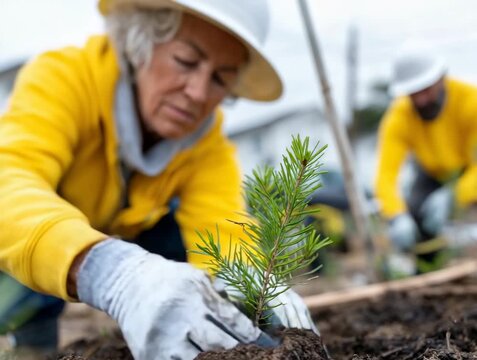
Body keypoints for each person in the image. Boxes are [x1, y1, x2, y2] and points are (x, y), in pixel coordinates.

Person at [0, 0, 317, 358]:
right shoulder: (65, 78)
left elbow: (223, 233)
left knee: (179, 247)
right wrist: (110, 272)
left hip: (127, 233)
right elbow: (7, 184)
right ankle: (28, 342)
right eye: (185, 62)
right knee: (23, 245)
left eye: (219, 79)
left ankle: (180, 331)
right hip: (39, 241)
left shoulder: (206, 145)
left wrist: (255, 295)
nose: (198, 93)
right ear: (141, 43)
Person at [374, 47, 477, 269]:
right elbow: (386, 175)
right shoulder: (398, 117)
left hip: (471, 171)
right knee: (417, 216)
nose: (421, 100)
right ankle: (427, 276)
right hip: (431, 173)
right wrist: (396, 215)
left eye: (426, 90)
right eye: (413, 93)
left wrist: (456, 195)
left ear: (441, 78)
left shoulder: (471, 101)